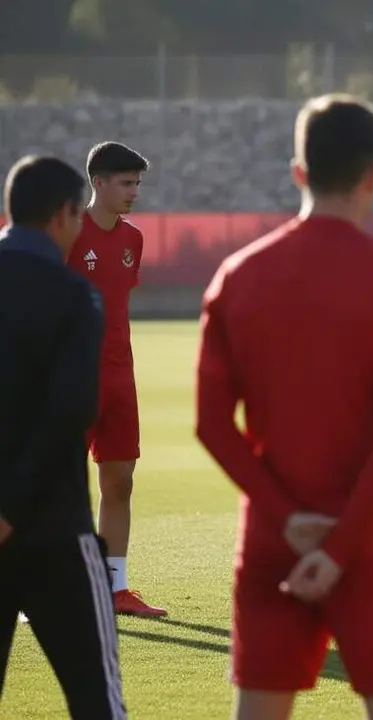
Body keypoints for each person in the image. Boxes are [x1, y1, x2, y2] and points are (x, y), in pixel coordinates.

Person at [195, 94, 373, 719]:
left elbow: (212, 426)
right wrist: (339, 547)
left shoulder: (236, 276)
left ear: (298, 171)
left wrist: (287, 520)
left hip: (275, 540)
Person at [0, 155, 127, 718]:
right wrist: (13, 509)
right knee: (96, 702)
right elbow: (70, 413)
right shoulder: (74, 295)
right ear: (63, 215)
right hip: (55, 531)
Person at [65, 141, 165, 618]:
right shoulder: (64, 233)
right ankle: (44, 587)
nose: (134, 192)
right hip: (69, 377)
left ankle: (114, 587)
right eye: (126, 183)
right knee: (57, 485)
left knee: (120, 481)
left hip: (119, 377)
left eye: (138, 183)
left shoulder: (133, 240)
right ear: (98, 183)